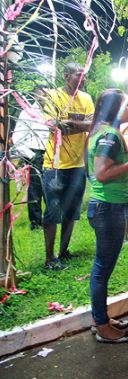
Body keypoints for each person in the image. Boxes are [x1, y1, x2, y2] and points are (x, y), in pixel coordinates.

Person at [86, 88, 128, 343]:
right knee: (102, 268)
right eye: (127, 105)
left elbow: (111, 172)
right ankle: (102, 326)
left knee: (103, 267)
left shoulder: (106, 132)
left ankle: (102, 317)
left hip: (109, 206)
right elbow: (101, 173)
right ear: (117, 109)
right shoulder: (109, 135)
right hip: (107, 208)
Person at [42, 62, 94, 270]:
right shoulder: (53, 96)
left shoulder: (87, 98)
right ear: (66, 75)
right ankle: (49, 258)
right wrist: (75, 126)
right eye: (77, 74)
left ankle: (63, 252)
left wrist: (70, 125)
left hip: (77, 165)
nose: (82, 78)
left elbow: (92, 124)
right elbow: (52, 124)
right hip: (54, 164)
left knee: (72, 211)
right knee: (53, 210)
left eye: (83, 74)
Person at [11, 86, 50, 230]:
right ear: (36, 96)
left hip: (50, 153)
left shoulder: (50, 112)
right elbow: (17, 138)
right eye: (43, 94)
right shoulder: (27, 113)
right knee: (35, 189)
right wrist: (32, 156)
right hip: (35, 154)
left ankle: (51, 218)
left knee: (50, 187)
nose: (46, 97)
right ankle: (36, 223)